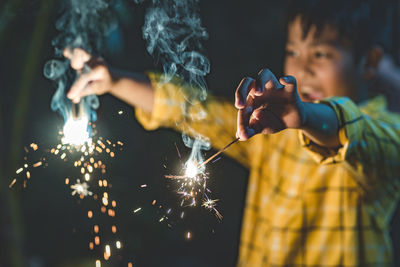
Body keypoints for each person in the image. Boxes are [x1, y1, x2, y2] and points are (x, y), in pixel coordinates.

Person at [64, 0, 400, 266]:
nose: (302, 67)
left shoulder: (387, 132)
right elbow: (195, 110)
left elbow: (354, 134)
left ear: (369, 63)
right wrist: (116, 80)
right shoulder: (268, 131)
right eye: (293, 51)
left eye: (322, 53)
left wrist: (306, 115)